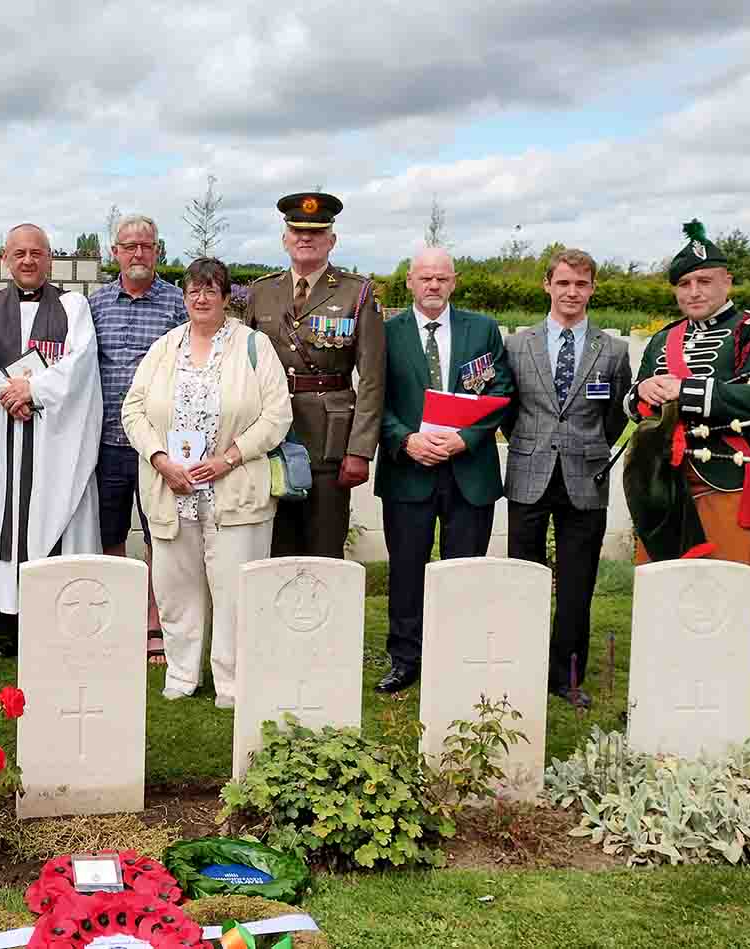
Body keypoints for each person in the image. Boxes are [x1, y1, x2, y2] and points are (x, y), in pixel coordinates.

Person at [623, 220, 750, 676]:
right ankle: (666, 683)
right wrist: (645, 390)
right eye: (684, 283)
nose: (694, 291)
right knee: (666, 588)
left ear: (727, 281)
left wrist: (684, 393)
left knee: (724, 597)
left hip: (729, 476)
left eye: (705, 281)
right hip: (662, 483)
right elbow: (634, 400)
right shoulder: (665, 338)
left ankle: (718, 687)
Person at [123, 257, 292, 708]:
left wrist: (229, 459)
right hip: (173, 490)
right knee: (177, 587)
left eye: (211, 290)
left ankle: (233, 682)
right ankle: (180, 674)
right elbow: (133, 411)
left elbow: (278, 415)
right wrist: (160, 460)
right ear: (184, 297)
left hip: (233, 488)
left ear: (226, 297)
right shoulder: (164, 348)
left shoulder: (254, 347)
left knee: (234, 592)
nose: (201, 298)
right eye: (193, 290)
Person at [373, 246, 514, 694]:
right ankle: (405, 659)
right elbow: (376, 401)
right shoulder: (385, 333)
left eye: (442, 278)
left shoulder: (483, 330)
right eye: (424, 278)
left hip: (468, 472)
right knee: (407, 569)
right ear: (410, 282)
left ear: (454, 282)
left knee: (465, 571)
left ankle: (458, 655)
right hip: (408, 471)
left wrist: (466, 438)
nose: (433, 286)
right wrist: (405, 439)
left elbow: (501, 389)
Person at [0, 224, 104, 656]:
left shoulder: (72, 305)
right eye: (19, 253)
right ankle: (5, 625)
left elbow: (81, 362)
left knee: (52, 508)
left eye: (37, 253)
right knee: (5, 517)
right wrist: (7, 394)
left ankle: (55, 620)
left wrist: (34, 391)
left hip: (52, 437)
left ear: (50, 259)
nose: (28, 260)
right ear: (6, 259)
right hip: (1, 435)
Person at [502, 249, 632, 708]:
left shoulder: (612, 351)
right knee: (524, 577)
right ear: (548, 286)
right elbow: (508, 410)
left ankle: (566, 675)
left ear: (592, 288)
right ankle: (522, 665)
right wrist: (531, 442)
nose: (571, 292)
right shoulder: (518, 345)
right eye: (563, 283)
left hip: (586, 476)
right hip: (529, 473)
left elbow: (615, 416)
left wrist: (586, 447)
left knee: (578, 583)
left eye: (581, 284)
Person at [244, 192, 385, 559]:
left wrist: (359, 450)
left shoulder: (356, 292)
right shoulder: (262, 292)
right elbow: (243, 368)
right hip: (270, 435)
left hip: (329, 440)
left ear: (331, 241)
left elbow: (371, 379)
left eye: (317, 232)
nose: (305, 238)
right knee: (274, 548)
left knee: (324, 546)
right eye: (296, 231)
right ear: (285, 238)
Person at [88, 213, 186, 665]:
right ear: (116, 254)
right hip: (105, 441)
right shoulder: (95, 304)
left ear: (157, 250)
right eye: (129, 246)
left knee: (155, 536)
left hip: (157, 447)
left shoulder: (175, 304)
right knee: (109, 532)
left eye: (146, 245)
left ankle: (152, 619)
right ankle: (118, 614)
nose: (138, 254)